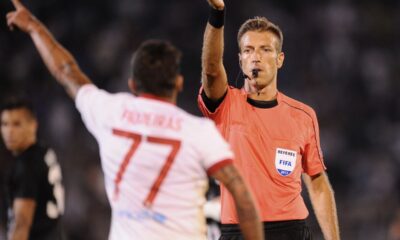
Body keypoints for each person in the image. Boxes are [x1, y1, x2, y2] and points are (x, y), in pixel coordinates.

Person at [6, 1, 264, 239]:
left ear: (132, 84)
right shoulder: (198, 132)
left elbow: (66, 72)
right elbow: (241, 195)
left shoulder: (110, 112)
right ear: (178, 84)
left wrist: (34, 28)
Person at [198, 0, 340, 239]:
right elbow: (211, 69)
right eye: (248, 50)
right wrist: (217, 14)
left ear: (280, 59)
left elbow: (317, 182)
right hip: (239, 230)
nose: (256, 57)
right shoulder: (226, 104)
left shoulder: (303, 115)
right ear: (241, 59)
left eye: (265, 50)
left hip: (291, 229)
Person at [0, 97, 65, 240]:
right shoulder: (44, 152)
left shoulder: (26, 165)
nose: (9, 131)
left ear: (33, 125)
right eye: (4, 124)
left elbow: (22, 224)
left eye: (17, 124)